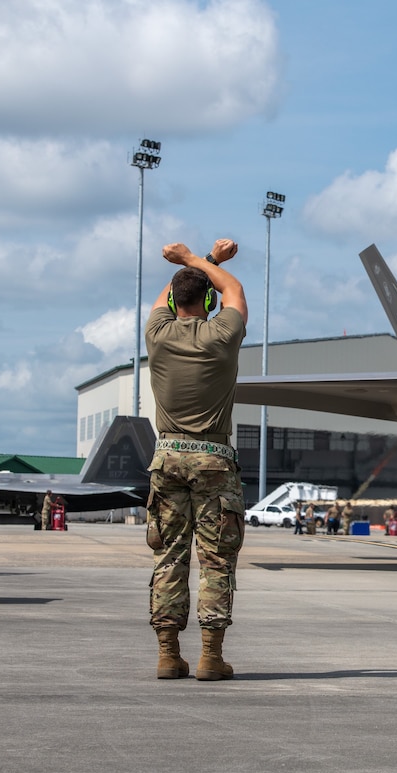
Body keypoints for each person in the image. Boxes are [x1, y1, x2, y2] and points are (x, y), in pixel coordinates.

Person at [144, 238, 247, 681]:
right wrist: (203, 262)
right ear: (207, 300)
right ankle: (210, 656)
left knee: (169, 557)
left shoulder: (157, 334)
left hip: (166, 457)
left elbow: (167, 296)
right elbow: (235, 291)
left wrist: (192, 264)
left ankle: (168, 655)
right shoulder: (222, 336)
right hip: (213, 459)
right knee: (216, 561)